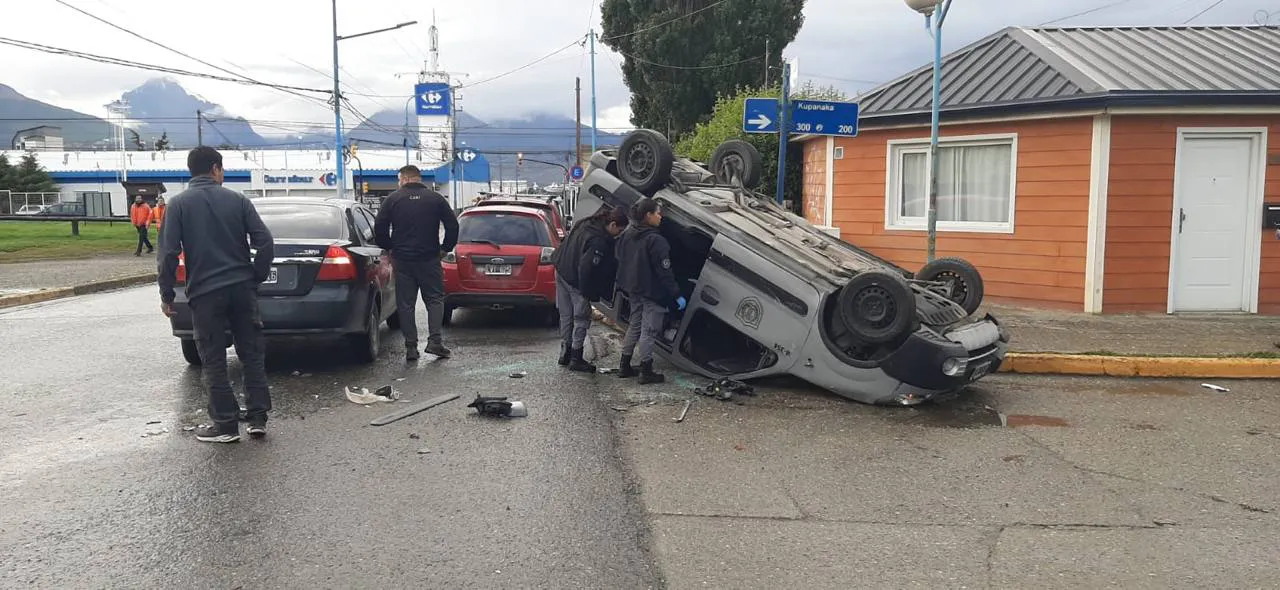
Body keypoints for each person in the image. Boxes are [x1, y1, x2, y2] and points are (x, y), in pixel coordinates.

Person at [157, 147, 275, 443]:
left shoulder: (178, 205)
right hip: (241, 288)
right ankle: (258, 418)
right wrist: (255, 276)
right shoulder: (238, 200)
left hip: (206, 293)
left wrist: (167, 294)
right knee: (251, 353)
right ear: (215, 169)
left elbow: (168, 253)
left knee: (213, 357)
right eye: (222, 170)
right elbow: (265, 241)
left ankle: (225, 425)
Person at [374, 165, 460, 362]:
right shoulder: (436, 199)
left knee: (405, 304)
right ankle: (435, 342)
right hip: (430, 258)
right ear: (418, 178)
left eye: (399, 180)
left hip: (402, 260)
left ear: (404, 179)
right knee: (435, 300)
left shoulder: (393, 199)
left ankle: (411, 347)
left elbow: (380, 227)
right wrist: (445, 248)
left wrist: (390, 247)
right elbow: (452, 225)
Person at [614, 198, 685, 384]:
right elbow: (665, 271)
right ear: (648, 215)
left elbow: (619, 256)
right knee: (650, 330)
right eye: (658, 213)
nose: (661, 216)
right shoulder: (656, 240)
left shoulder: (628, 234)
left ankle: (624, 364)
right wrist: (677, 294)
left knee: (635, 324)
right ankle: (646, 370)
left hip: (634, 289)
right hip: (653, 292)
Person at [551, 204, 629, 372]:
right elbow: (586, 269)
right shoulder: (599, 241)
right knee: (581, 319)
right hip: (576, 281)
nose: (619, 235)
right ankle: (576, 357)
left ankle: (565, 352)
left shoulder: (585, 223)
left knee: (566, 315)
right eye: (620, 231)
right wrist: (589, 295)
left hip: (561, 271)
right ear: (613, 225)